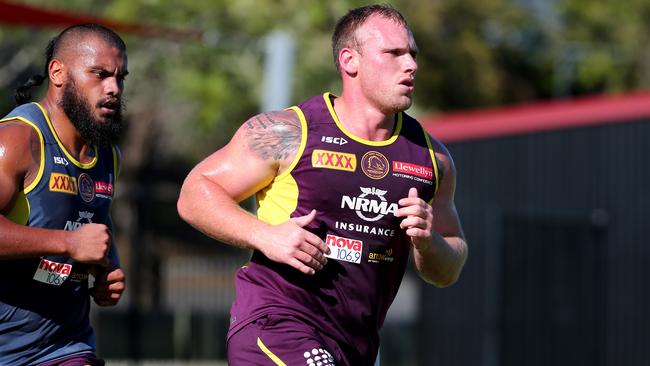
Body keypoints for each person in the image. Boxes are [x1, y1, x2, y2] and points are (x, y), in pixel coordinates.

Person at [178, 4, 468, 365]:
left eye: (412, 54)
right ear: (350, 61)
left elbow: (449, 267)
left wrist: (429, 240)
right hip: (276, 324)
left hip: (355, 346)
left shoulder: (432, 160)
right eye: (393, 53)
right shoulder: (288, 131)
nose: (411, 65)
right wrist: (264, 235)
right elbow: (195, 193)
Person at [0, 24, 128, 366]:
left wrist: (107, 270)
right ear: (58, 73)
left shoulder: (107, 155)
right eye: (99, 74)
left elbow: (94, 224)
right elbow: (70, 239)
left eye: (120, 77)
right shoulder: (16, 140)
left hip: (64, 348)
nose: (113, 88)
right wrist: (68, 244)